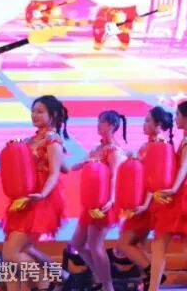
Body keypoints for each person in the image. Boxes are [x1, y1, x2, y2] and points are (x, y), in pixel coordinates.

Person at [2, 95, 69, 291]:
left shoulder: (52, 139)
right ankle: (60, 276)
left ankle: (44, 283)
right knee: (16, 253)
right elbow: (64, 167)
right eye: (33, 111)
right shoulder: (31, 139)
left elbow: (55, 173)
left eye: (40, 111)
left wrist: (43, 194)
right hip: (24, 198)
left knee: (11, 253)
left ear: (53, 115)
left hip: (40, 199)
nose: (34, 115)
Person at [148, 101, 187, 291]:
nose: (175, 118)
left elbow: (183, 167)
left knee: (160, 243)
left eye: (177, 115)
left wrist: (174, 188)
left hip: (184, 192)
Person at [70, 110, 127, 291]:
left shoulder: (114, 150)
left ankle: (108, 285)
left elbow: (115, 176)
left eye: (101, 122)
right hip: (90, 204)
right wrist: (83, 163)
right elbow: (77, 166)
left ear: (111, 126)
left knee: (95, 245)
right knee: (77, 244)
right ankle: (102, 276)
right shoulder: (97, 148)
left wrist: (111, 199)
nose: (98, 125)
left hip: (103, 204)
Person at [116, 106, 173, 286]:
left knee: (124, 244)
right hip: (142, 202)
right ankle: (149, 280)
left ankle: (154, 274)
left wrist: (146, 204)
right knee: (137, 244)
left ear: (159, 125)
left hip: (147, 205)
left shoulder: (160, 146)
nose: (144, 124)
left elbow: (154, 179)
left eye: (148, 120)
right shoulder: (149, 145)